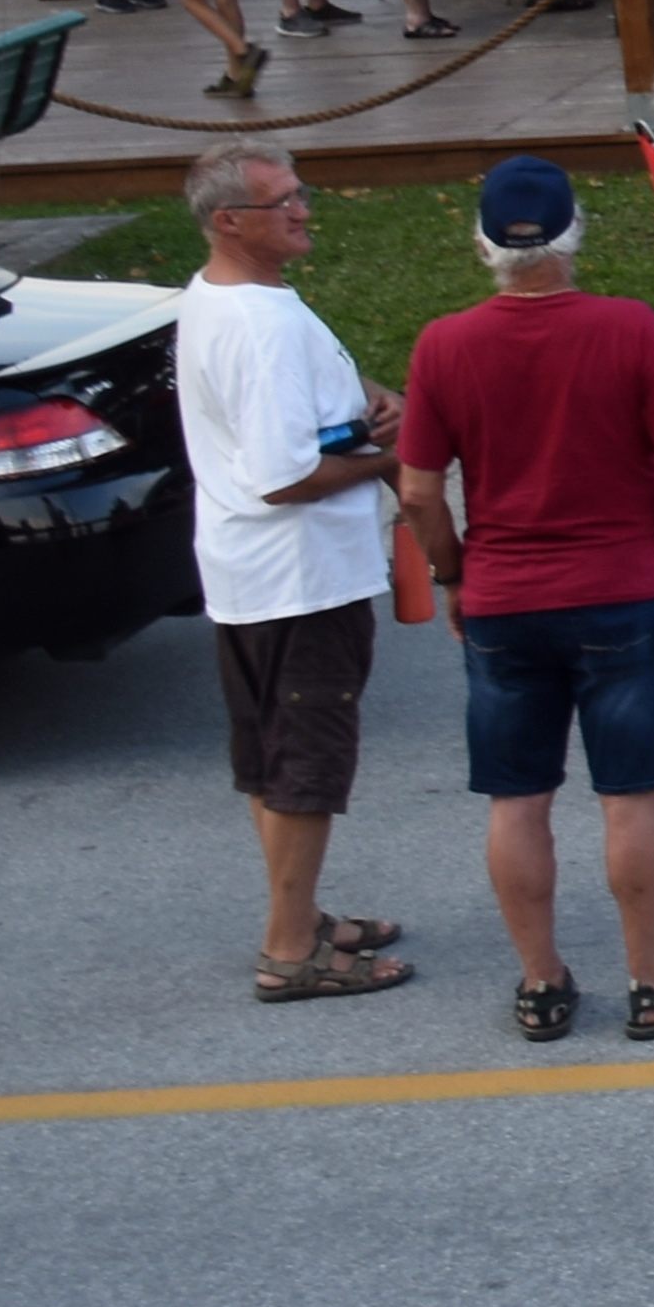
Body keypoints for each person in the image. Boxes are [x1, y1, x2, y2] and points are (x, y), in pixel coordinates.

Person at [396, 157, 654, 1046]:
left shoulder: (444, 345)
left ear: (482, 243)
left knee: (518, 797)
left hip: (505, 599)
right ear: (574, 232)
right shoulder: (627, 331)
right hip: (619, 587)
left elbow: (421, 492)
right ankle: (652, 985)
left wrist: (455, 573)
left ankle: (542, 984)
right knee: (631, 798)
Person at [170, 140, 417, 1003]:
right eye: (283, 203)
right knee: (307, 765)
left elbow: (283, 424)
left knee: (271, 758)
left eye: (301, 194)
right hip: (302, 578)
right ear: (230, 221)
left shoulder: (221, 296)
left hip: (245, 575)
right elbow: (285, 478)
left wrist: (362, 403)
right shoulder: (262, 325)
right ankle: (290, 950)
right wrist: (391, 455)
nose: (304, 209)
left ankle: (300, 912)